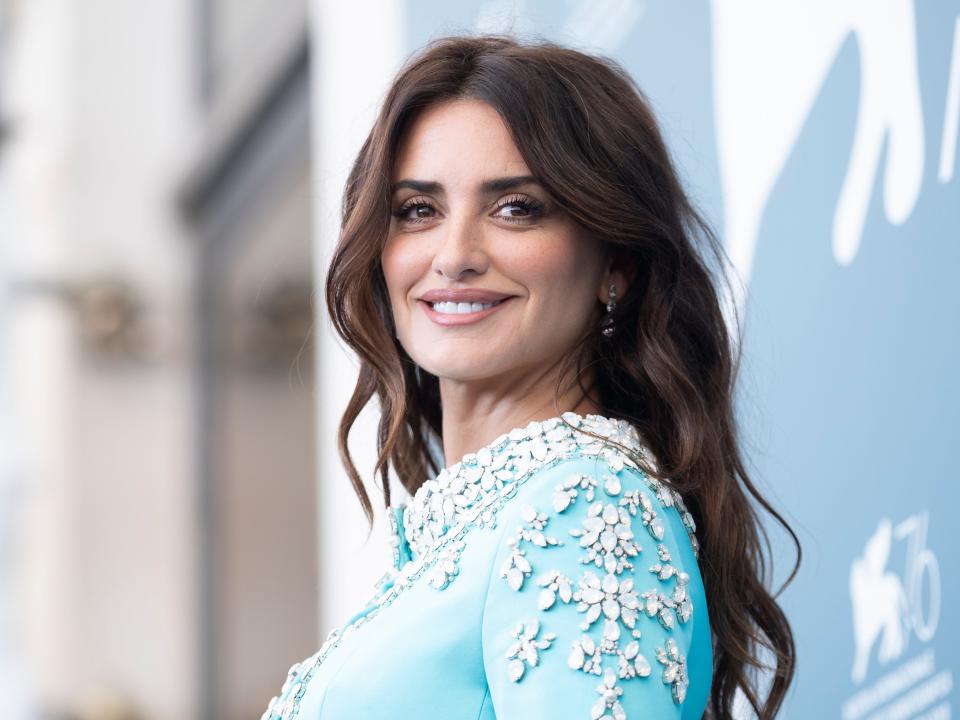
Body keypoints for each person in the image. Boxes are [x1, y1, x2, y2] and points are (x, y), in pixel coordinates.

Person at [262, 33, 799, 720]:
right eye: (417, 210)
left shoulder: (585, 505)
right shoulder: (467, 538)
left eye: (515, 208)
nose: (454, 256)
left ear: (616, 266)